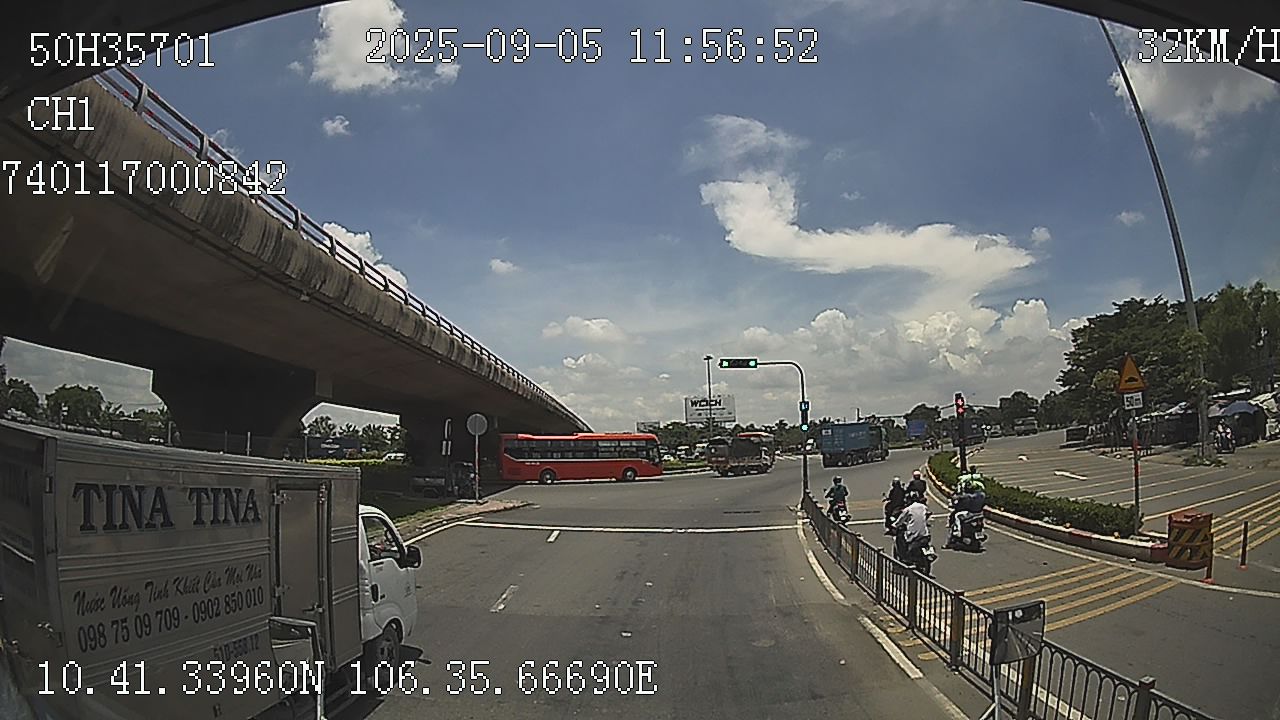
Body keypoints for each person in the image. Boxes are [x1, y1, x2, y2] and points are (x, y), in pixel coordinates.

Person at [893, 490, 932, 562]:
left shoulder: (908, 509)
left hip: (914, 535)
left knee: (903, 539)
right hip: (925, 534)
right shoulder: (923, 507)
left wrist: (894, 525)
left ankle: (906, 558)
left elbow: (900, 520)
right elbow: (927, 515)